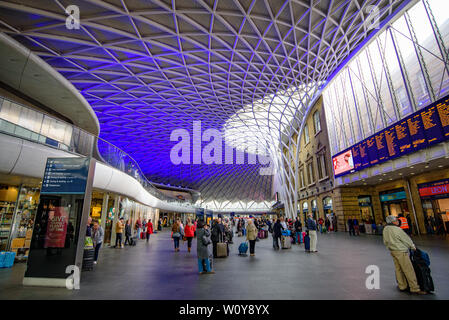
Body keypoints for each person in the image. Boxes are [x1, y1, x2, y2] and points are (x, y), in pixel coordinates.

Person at [382, 215, 427, 295]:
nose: (398, 221)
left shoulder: (385, 229)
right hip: (401, 251)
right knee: (408, 270)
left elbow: (385, 241)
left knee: (398, 269)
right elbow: (406, 239)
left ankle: (402, 285)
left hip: (393, 251)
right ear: (393, 221)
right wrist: (413, 247)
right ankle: (414, 288)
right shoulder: (397, 229)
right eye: (396, 220)